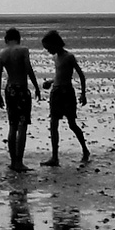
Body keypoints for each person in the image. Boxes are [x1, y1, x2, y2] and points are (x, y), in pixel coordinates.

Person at [0, 29, 42, 172]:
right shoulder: (23, 50)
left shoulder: (2, 54)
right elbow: (28, 68)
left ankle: (13, 161)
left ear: (6, 39)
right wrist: (36, 87)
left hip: (9, 90)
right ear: (18, 38)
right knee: (22, 126)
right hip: (21, 89)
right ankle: (19, 162)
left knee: (12, 126)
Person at [40, 29, 88, 166]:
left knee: (72, 124)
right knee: (53, 124)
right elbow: (59, 75)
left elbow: (81, 75)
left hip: (67, 92)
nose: (48, 51)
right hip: (56, 92)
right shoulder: (55, 58)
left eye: (49, 48)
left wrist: (83, 94)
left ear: (55, 44)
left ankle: (85, 150)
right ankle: (54, 157)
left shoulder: (69, 57)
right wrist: (50, 81)